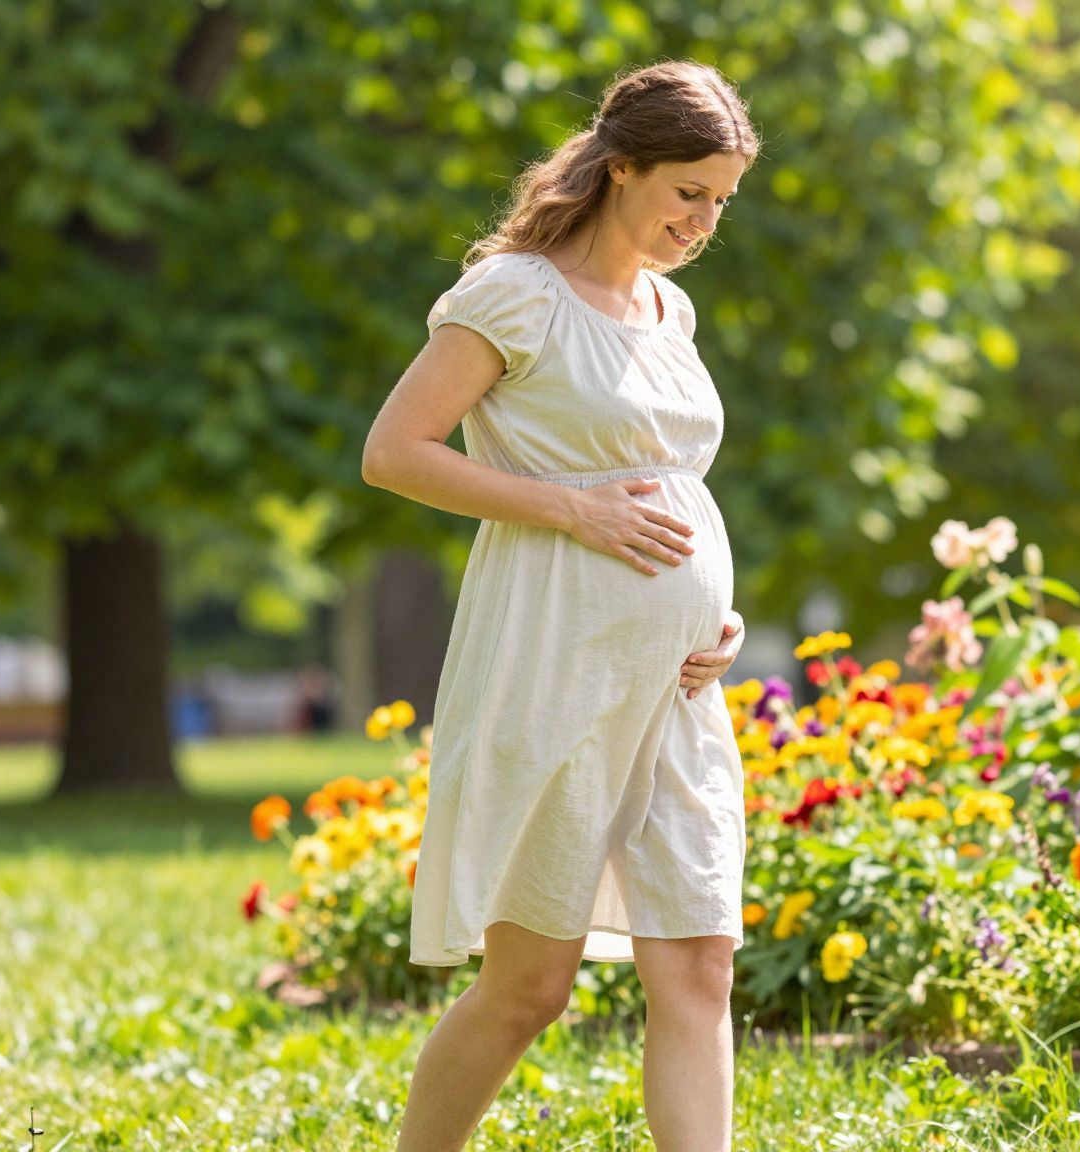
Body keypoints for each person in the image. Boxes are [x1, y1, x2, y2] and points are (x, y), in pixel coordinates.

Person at [362, 60, 759, 1152]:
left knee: (698, 961)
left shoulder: (669, 309)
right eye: (688, 191)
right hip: (557, 665)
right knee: (529, 986)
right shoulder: (514, 295)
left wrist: (709, 615)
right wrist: (573, 512)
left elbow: (675, 484)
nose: (702, 220)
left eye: (720, 200)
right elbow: (395, 453)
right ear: (621, 166)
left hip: (676, 688)